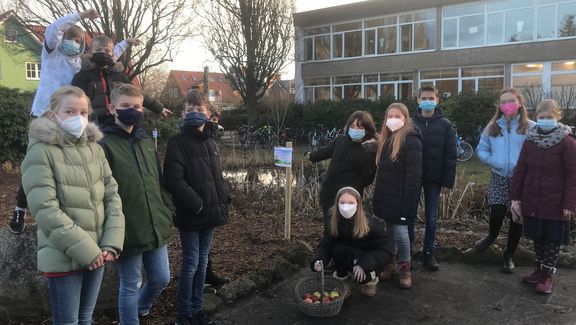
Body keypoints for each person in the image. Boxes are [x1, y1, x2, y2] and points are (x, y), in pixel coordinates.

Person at [9, 10, 137, 234]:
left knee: (63, 167)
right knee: (35, 163)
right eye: (70, 38)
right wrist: (80, 16)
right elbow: (52, 29)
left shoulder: (80, 64)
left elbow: (110, 52)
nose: (73, 43)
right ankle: (20, 208)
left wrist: (125, 42)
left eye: (78, 41)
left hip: (67, 119)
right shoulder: (52, 53)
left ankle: (59, 210)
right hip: (44, 115)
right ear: (63, 39)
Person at [21, 86, 125, 324]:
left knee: (86, 317)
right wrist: (87, 251)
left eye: (83, 112)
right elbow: (45, 209)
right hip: (64, 254)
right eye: (69, 111)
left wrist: (111, 242)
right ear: (52, 114)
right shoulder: (40, 152)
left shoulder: (95, 148)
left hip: (99, 252)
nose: (78, 118)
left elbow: (112, 196)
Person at [98, 84, 172, 323]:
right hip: (126, 228)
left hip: (154, 223)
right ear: (112, 108)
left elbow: (158, 180)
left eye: (137, 106)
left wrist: (166, 209)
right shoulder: (103, 144)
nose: (132, 110)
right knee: (130, 284)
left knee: (162, 278)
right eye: (125, 106)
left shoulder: (146, 141)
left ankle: (141, 307)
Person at [164, 91, 230, 325]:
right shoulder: (177, 143)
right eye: (190, 110)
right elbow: (174, 181)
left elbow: (216, 178)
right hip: (192, 214)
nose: (195, 114)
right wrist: (198, 205)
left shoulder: (210, 142)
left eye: (200, 110)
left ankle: (197, 309)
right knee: (191, 263)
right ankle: (184, 314)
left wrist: (224, 199)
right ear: (183, 114)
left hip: (210, 213)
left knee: (203, 262)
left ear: (209, 114)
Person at [510, 99, 576, 294]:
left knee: (552, 241)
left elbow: (573, 174)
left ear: (558, 117)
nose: (545, 120)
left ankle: (547, 276)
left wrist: (570, 203)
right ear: (536, 117)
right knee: (538, 238)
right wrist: (515, 197)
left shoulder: (567, 142)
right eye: (541, 117)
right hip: (533, 199)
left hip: (556, 203)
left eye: (549, 117)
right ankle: (538, 271)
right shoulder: (530, 141)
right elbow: (521, 169)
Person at [472, 87, 535, 273]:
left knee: (517, 218)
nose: (507, 105)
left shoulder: (530, 127)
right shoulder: (493, 126)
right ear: (499, 105)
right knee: (497, 213)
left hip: (521, 179)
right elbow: (482, 148)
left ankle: (509, 255)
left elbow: (542, 147)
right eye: (504, 101)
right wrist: (493, 161)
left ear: (520, 103)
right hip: (499, 176)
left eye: (511, 100)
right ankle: (491, 236)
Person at [372, 103, 422, 289]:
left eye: (397, 116)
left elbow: (414, 176)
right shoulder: (387, 139)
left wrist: (408, 205)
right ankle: (390, 263)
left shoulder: (411, 139)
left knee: (401, 235)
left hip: (402, 199)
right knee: (389, 233)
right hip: (387, 197)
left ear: (405, 118)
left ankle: (405, 268)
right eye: (389, 115)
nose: (392, 119)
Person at [311, 187, 394, 297]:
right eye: (342, 202)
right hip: (348, 253)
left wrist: (364, 264)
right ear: (337, 204)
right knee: (337, 249)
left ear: (358, 204)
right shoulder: (334, 220)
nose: (346, 206)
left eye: (350, 203)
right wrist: (319, 259)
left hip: (367, 257)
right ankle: (342, 279)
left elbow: (385, 249)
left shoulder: (370, 223)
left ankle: (371, 279)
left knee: (365, 282)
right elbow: (326, 244)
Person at [72, 35, 171, 125]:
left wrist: (159, 108)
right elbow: (73, 102)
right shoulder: (81, 76)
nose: (102, 53)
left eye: (107, 51)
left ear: (112, 54)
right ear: (90, 52)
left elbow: (136, 93)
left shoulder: (119, 76)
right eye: (98, 50)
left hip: (118, 123)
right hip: (93, 126)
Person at [308, 111, 378, 236]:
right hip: (329, 193)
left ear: (367, 129)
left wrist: (371, 155)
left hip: (349, 196)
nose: (355, 129)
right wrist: (310, 156)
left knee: (348, 229)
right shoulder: (340, 140)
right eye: (352, 126)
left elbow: (368, 179)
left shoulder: (369, 150)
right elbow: (322, 153)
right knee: (330, 229)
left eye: (360, 127)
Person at [411, 85, 457, 271]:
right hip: (413, 177)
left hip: (434, 178)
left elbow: (450, 154)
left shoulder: (445, 125)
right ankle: (407, 254)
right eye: (424, 97)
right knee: (409, 216)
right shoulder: (410, 122)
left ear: (437, 100)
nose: (427, 101)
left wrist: (448, 181)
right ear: (418, 100)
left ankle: (429, 254)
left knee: (431, 217)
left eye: (431, 98)